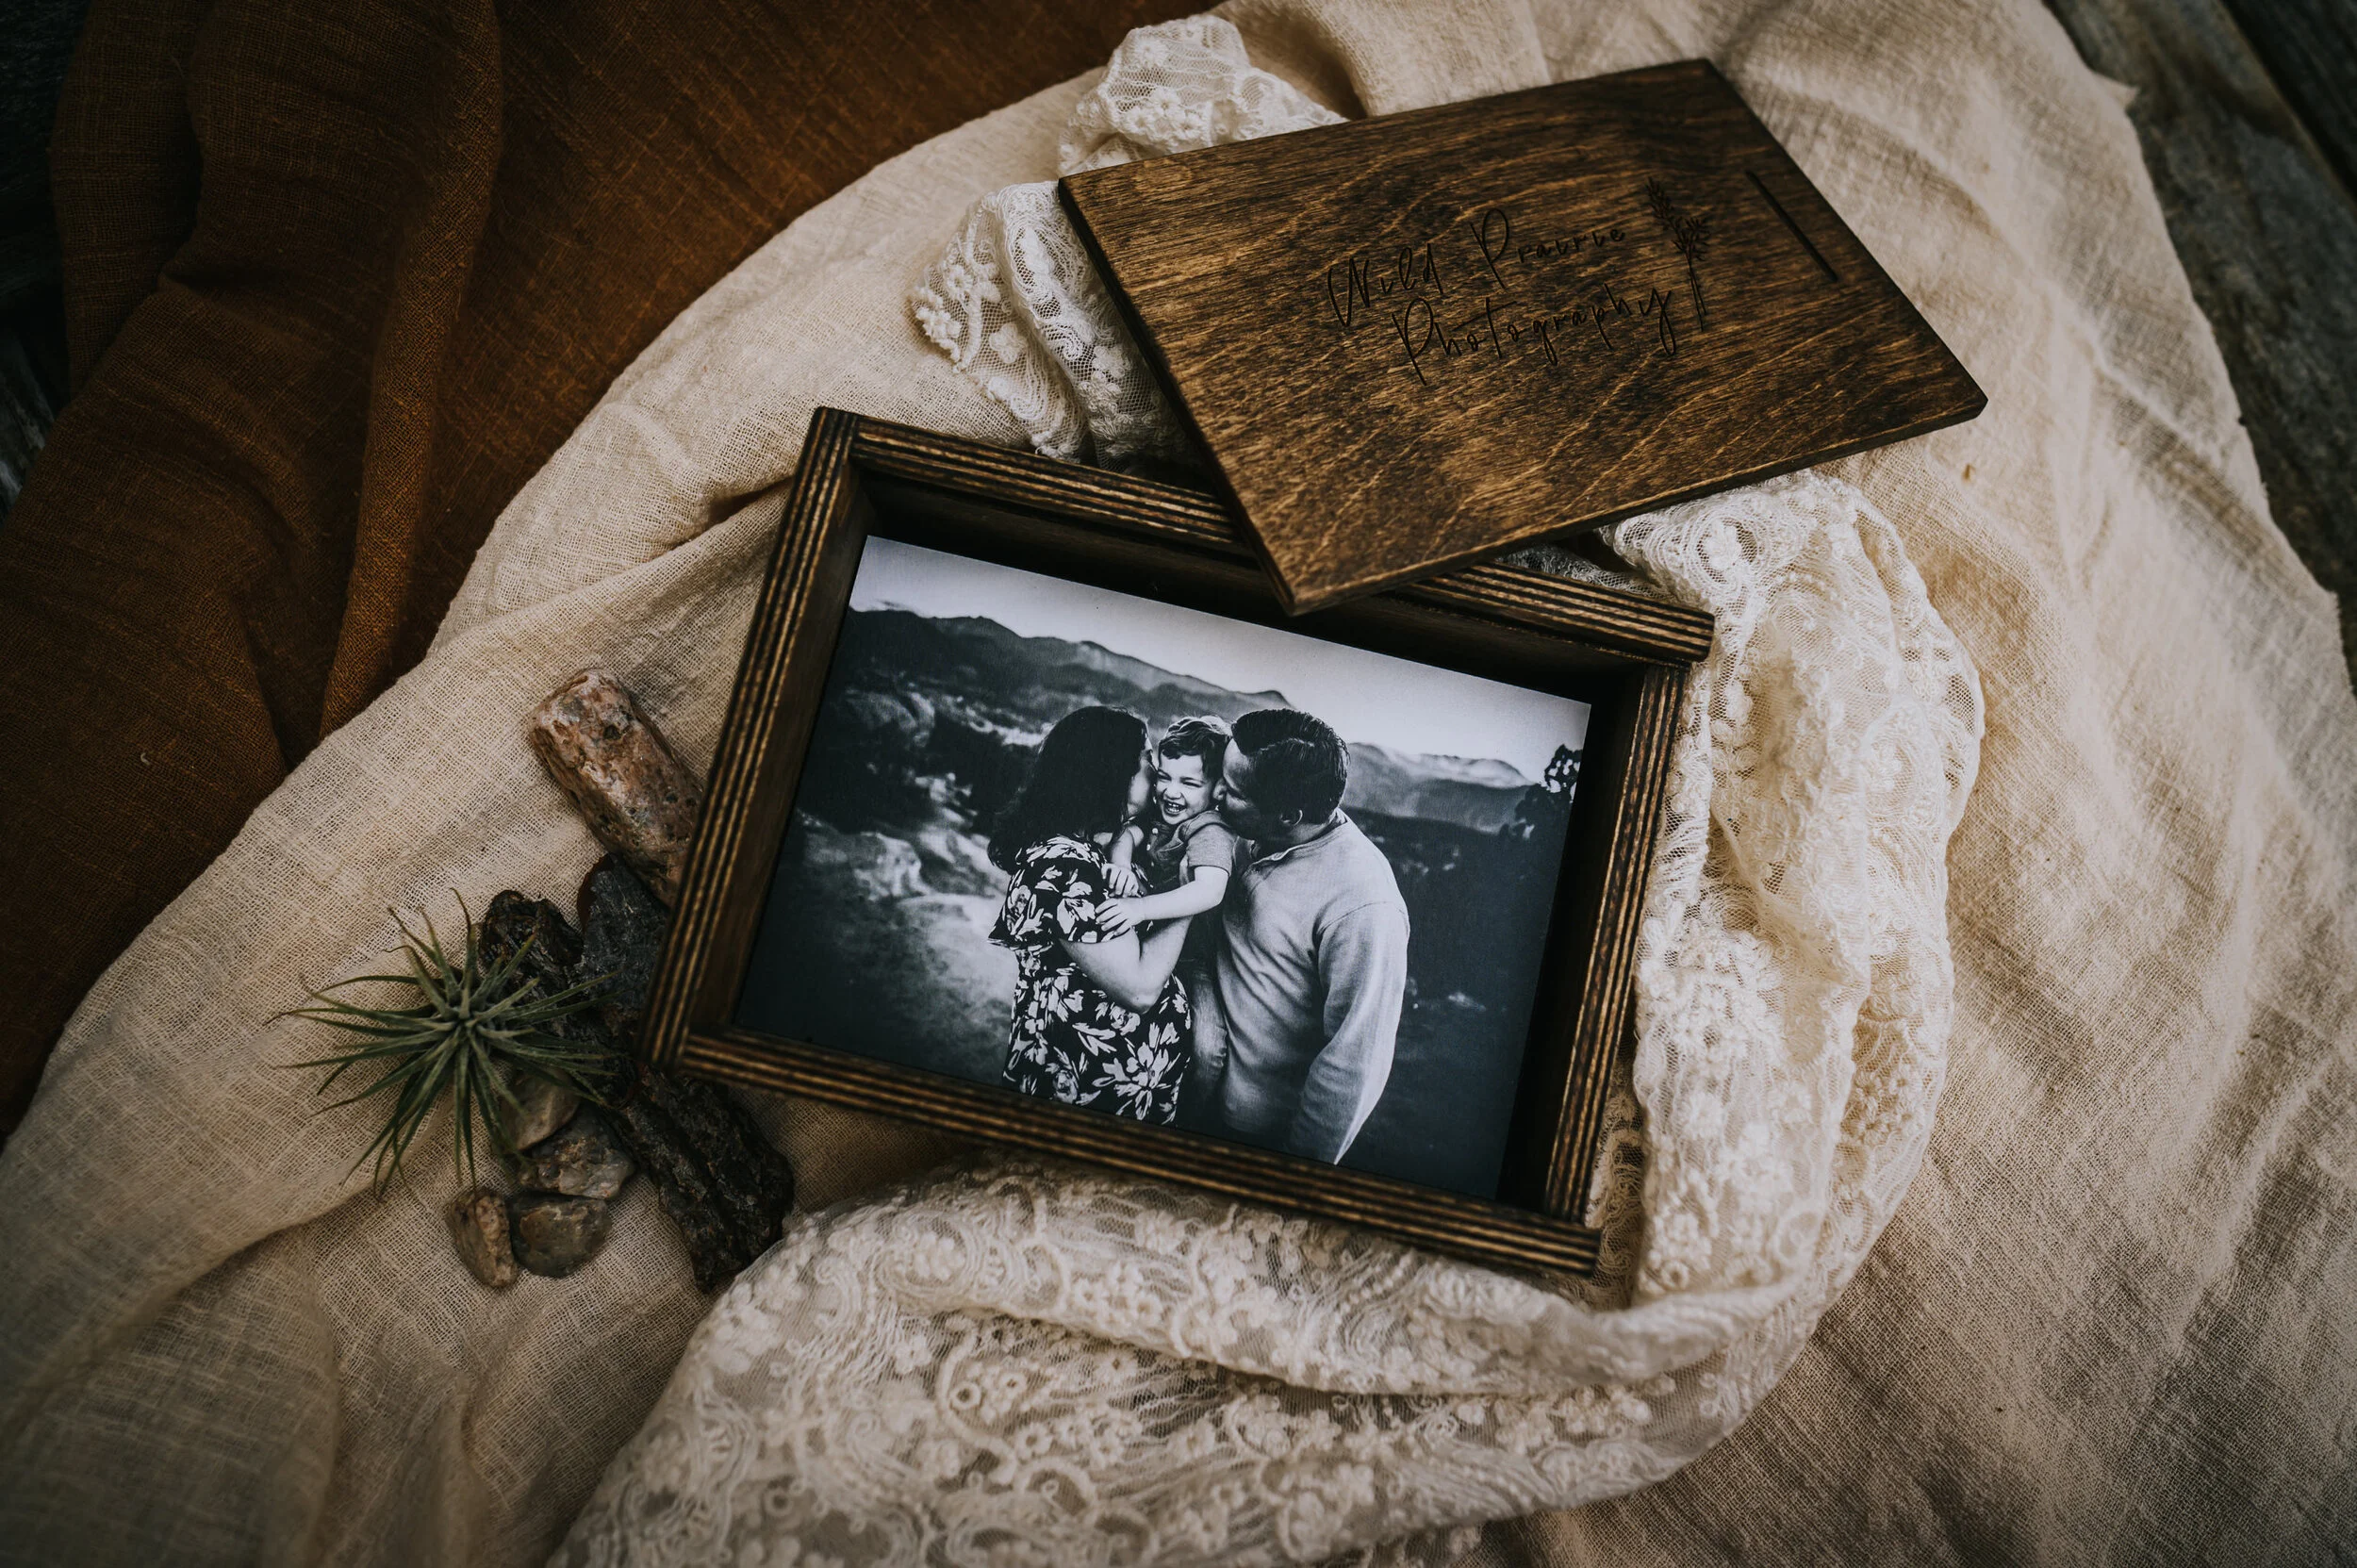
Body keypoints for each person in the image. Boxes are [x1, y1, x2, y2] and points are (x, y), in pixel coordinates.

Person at [1194, 708, 1410, 1163]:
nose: (1213, 794)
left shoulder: (1363, 905)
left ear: (1288, 816)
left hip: (1250, 1137)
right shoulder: (1246, 829)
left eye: (1231, 791)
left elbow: (1354, 1062)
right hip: (1191, 1088)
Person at [985, 706, 1194, 1124]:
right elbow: (1138, 990)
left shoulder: (1089, 849)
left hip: (1113, 1081)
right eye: (1146, 758)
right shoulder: (1063, 865)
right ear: (1109, 771)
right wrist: (1189, 898)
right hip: (1087, 1086)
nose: (1155, 770)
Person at [1098, 716, 1244, 946]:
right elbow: (1126, 835)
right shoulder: (1160, 816)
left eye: (1188, 783)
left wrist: (1142, 908)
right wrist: (1122, 867)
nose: (1171, 792)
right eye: (1164, 778)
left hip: (1191, 952)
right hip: (1151, 934)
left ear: (1219, 789)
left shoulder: (1209, 829)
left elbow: (1210, 891)